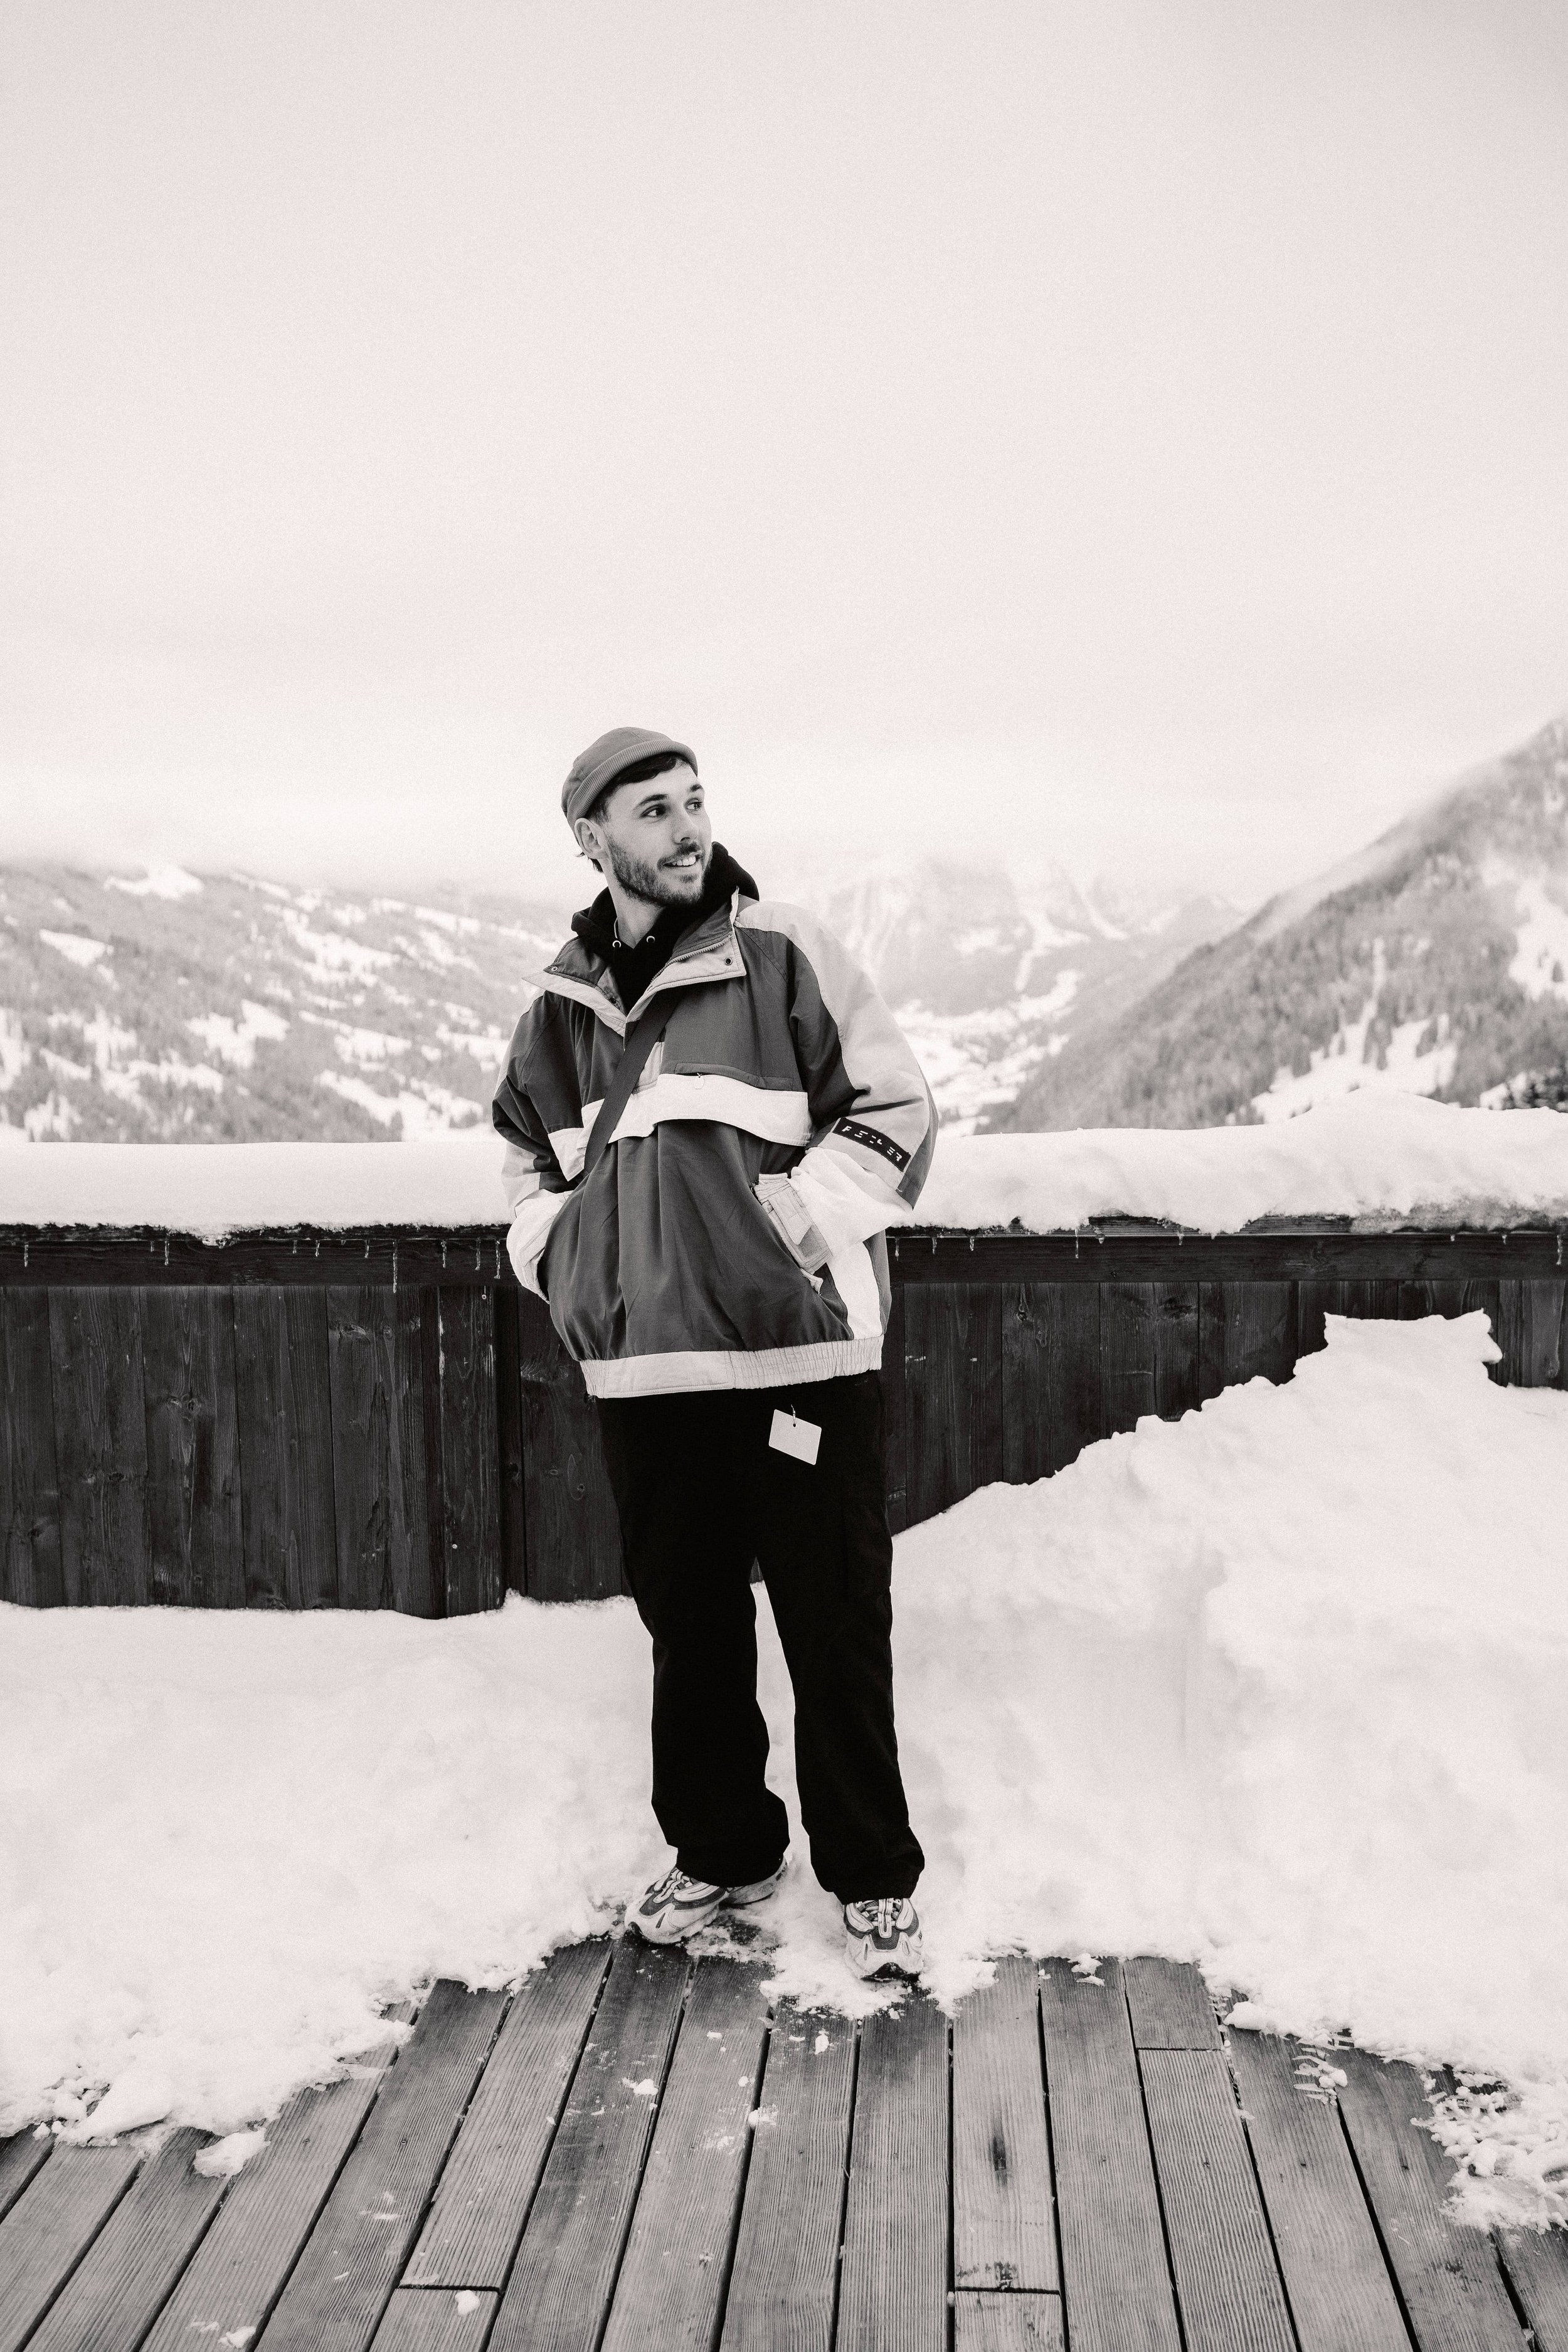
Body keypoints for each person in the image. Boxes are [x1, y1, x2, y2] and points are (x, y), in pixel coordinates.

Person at [492, 726, 936, 1979]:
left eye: (694, 802)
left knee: (833, 1625)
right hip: (646, 1377)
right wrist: (560, 1255)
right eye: (653, 811)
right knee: (690, 1636)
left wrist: (796, 1221)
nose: (687, 829)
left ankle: (872, 1876)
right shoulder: (561, 1010)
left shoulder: (782, 952)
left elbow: (897, 1107)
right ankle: (725, 1852)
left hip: (801, 1361)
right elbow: (525, 1155)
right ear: (592, 838)